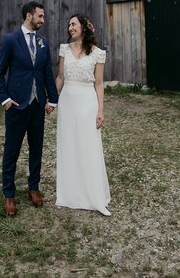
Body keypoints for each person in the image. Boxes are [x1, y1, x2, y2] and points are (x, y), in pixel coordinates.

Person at [0, 1, 58, 217]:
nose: (42, 20)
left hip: (38, 106)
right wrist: (5, 99)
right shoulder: (11, 40)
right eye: (40, 16)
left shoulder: (43, 42)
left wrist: (52, 100)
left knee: (36, 149)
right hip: (17, 106)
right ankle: (9, 194)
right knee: (11, 151)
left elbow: (47, 73)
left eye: (43, 17)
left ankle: (33, 187)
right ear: (29, 16)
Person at [54, 14, 111, 216]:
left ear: (85, 28)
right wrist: (51, 99)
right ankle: (70, 193)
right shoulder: (64, 49)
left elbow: (98, 83)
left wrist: (100, 110)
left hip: (88, 102)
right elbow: (60, 77)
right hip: (68, 101)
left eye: (74, 24)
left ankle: (92, 194)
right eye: (69, 24)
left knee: (88, 145)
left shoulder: (98, 54)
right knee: (69, 144)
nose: (70, 27)